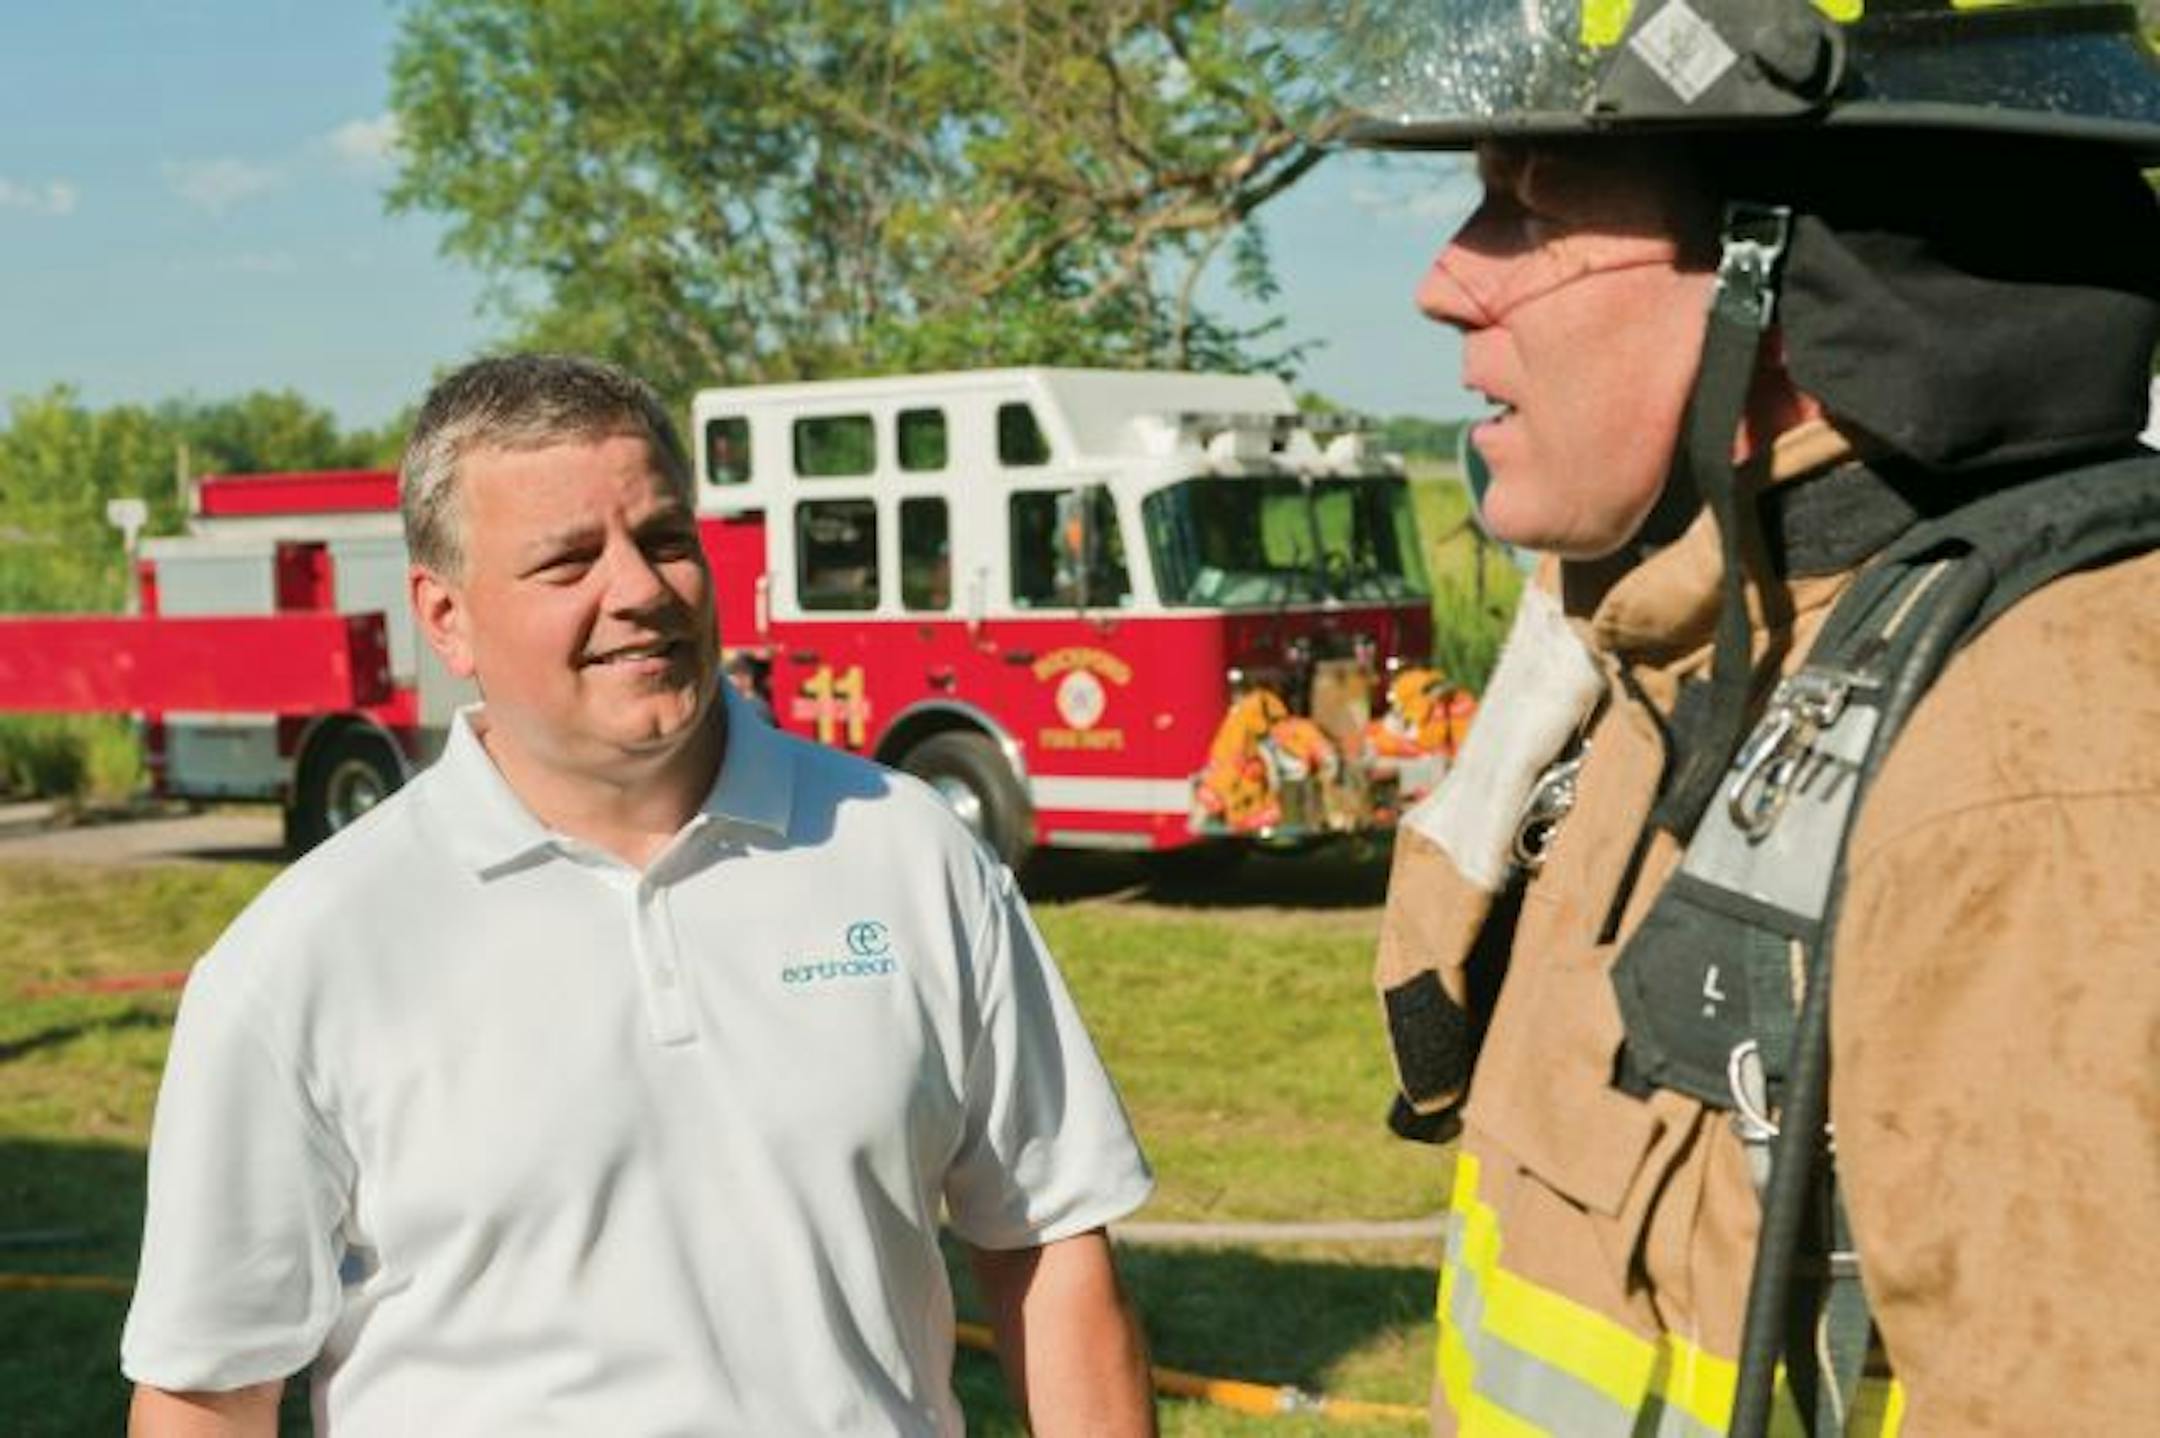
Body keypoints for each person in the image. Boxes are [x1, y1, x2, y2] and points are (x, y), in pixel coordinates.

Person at [1337, 2, 2160, 1433]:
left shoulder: (2048, 790)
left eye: (1527, 210)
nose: (1442, 281)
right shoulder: (1653, 669)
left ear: (1793, 284)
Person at [120, 354, 1158, 1436]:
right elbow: (210, 1391)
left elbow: (1047, 1244)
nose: (640, 589)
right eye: (568, 561)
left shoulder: (908, 853)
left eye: (664, 539)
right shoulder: (305, 955)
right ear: (445, 616)